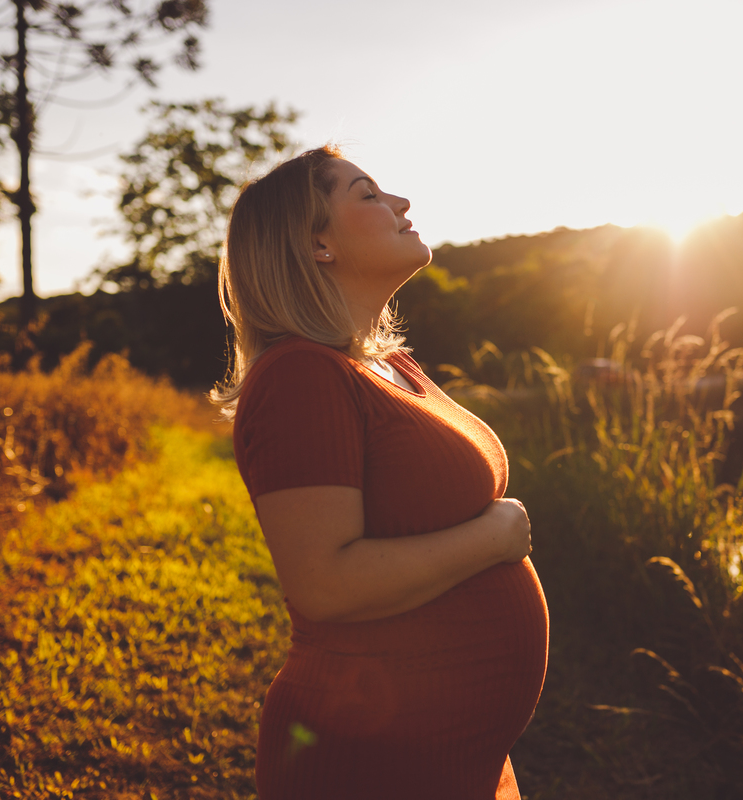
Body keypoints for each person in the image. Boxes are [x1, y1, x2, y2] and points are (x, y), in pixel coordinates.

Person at [210, 145, 549, 799]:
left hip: (456, 755)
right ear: (317, 246)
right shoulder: (300, 376)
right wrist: (495, 539)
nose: (400, 204)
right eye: (368, 194)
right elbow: (326, 584)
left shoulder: (390, 363)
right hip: (370, 762)